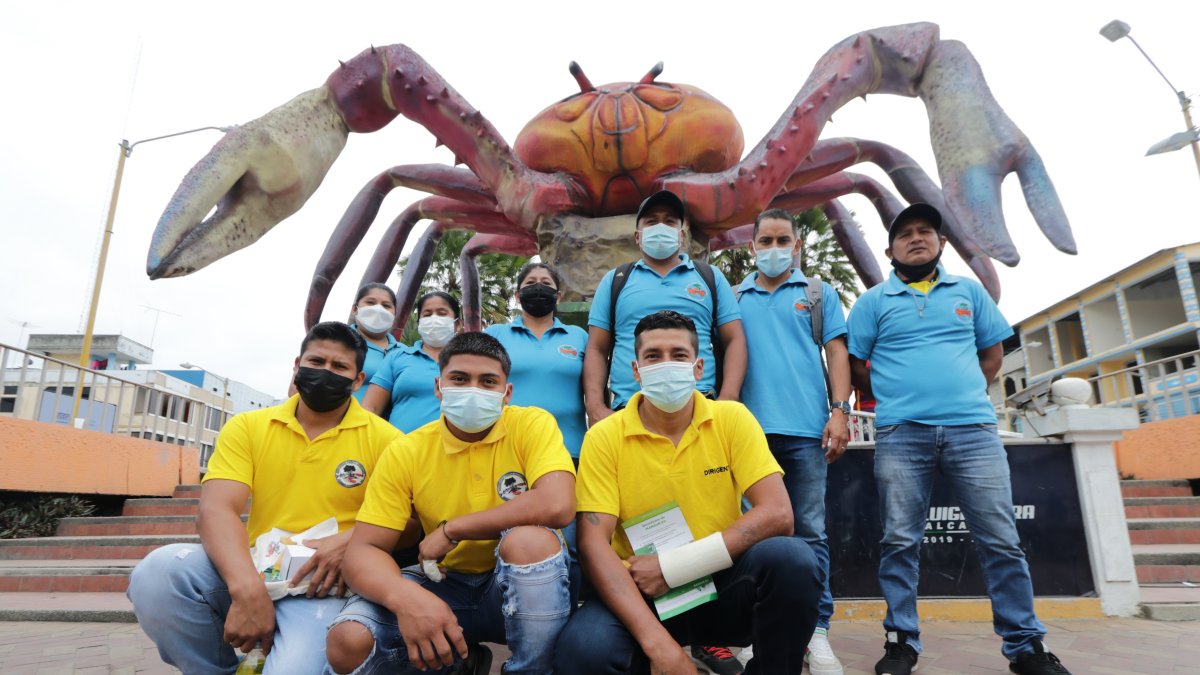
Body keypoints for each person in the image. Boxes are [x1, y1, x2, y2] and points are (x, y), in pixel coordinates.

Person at [847, 203, 1071, 675]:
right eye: (905, 233)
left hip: (973, 432)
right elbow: (856, 366)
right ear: (889, 251)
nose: (916, 238)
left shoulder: (969, 291)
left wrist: (961, 393)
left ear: (941, 242)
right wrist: (899, 394)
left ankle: (1026, 648)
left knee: (1001, 539)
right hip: (901, 434)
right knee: (899, 541)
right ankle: (901, 642)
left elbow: (992, 355)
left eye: (925, 231)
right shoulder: (872, 303)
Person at [128, 322, 403, 674]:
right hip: (255, 567)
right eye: (316, 361)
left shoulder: (388, 441)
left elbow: (407, 520)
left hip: (323, 586)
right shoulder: (248, 427)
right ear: (297, 365)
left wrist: (351, 541)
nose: (324, 372)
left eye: (339, 367)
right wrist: (247, 589)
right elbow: (217, 509)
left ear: (358, 380)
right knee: (160, 573)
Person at [556, 310, 821, 675]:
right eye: (653, 356)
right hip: (642, 589)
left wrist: (675, 568)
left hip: (722, 583)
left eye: (678, 355)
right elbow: (593, 544)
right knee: (584, 650)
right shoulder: (604, 437)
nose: (666, 365)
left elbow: (778, 513)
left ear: (698, 368)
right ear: (636, 370)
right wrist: (663, 650)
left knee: (792, 560)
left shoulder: (732, 419)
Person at [324, 332, 577, 675]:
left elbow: (558, 503)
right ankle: (457, 662)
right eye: (459, 378)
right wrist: (408, 600)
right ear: (438, 387)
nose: (473, 390)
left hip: (515, 588)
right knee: (348, 642)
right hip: (444, 583)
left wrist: (453, 530)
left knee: (530, 541)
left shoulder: (531, 424)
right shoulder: (407, 450)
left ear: (507, 393)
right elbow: (363, 550)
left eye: (488, 381)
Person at [736, 208, 851, 675]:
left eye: (783, 240)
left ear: (797, 245)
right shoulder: (733, 297)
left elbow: (837, 353)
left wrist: (840, 411)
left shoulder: (818, 293)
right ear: (752, 247)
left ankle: (816, 632)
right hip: (747, 437)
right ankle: (751, 633)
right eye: (765, 241)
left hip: (806, 432)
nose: (774, 248)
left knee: (811, 534)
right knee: (751, 534)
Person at [584, 190, 747, 421]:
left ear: (681, 235)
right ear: (638, 236)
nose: (661, 226)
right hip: (629, 409)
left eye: (669, 221)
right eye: (651, 221)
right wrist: (595, 408)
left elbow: (734, 339)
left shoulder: (710, 277)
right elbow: (596, 348)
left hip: (700, 407)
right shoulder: (616, 280)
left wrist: (728, 398)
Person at [486, 262, 588, 459]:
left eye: (546, 283)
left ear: (558, 296)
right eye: (531, 282)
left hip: (569, 449)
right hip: (509, 449)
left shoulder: (579, 336)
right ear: (518, 295)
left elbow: (596, 390)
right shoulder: (495, 334)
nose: (539, 287)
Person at [363, 290, 461, 432]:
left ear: (458, 324)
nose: (434, 319)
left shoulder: (470, 361)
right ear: (419, 324)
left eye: (442, 313)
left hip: (453, 445)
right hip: (399, 444)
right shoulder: (397, 357)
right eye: (427, 314)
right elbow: (371, 408)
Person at [349, 283, 402, 404]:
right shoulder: (338, 342)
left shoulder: (405, 352)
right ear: (355, 309)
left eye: (386, 305)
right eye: (371, 302)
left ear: (394, 314)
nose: (378, 309)